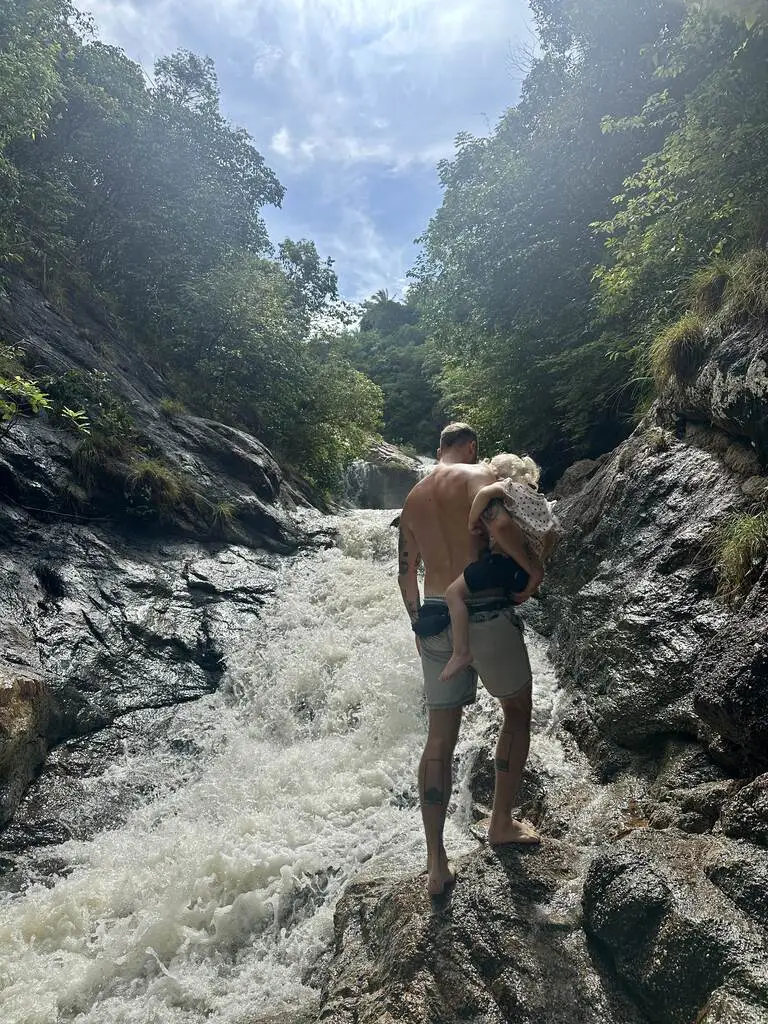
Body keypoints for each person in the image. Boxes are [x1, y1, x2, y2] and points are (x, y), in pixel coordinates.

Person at [398, 423, 541, 898]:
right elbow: (499, 523)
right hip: (485, 609)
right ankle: (501, 823)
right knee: (517, 711)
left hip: (435, 615)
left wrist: (418, 625)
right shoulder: (479, 475)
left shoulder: (413, 499)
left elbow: (405, 574)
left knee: (439, 738)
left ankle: (436, 863)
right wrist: (532, 569)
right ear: (472, 447)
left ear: (437, 447)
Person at [439, 453, 559, 682]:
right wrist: (535, 570)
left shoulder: (507, 487)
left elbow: (485, 495)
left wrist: (472, 520)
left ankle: (461, 652)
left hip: (506, 564)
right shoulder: (536, 498)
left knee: (453, 593)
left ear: (499, 475)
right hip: (521, 571)